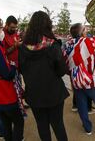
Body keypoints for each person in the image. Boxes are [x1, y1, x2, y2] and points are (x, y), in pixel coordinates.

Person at [18, 11, 69, 141]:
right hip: (54, 93)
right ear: (48, 25)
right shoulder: (52, 45)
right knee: (58, 124)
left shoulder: (23, 47)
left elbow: (22, 69)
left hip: (34, 94)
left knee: (42, 125)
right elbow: (62, 70)